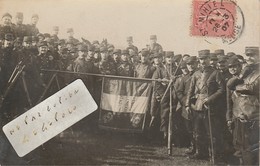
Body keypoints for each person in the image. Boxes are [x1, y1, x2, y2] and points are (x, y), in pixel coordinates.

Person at [185, 49, 224, 160]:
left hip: (210, 107)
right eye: (201, 59)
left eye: (205, 59)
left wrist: (210, 99)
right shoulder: (196, 74)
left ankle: (214, 155)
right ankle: (200, 153)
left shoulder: (216, 73)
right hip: (197, 106)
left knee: (211, 133)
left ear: (209, 59)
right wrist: (187, 105)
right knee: (197, 132)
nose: (203, 61)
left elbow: (221, 90)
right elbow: (190, 90)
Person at [227, 47, 259, 165]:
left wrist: (238, 87)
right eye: (247, 55)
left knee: (252, 148)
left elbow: (253, 87)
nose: (249, 58)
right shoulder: (246, 71)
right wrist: (241, 76)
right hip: (240, 114)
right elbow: (229, 84)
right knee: (241, 146)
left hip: (254, 115)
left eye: (253, 55)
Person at [176, 56, 198, 154]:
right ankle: (193, 147)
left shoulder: (201, 75)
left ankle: (200, 149)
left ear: (196, 64)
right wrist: (186, 102)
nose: (190, 66)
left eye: (192, 64)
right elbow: (179, 92)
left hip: (198, 106)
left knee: (198, 128)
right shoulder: (185, 78)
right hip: (187, 106)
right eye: (188, 64)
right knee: (189, 128)